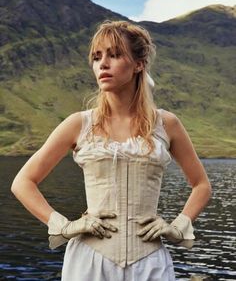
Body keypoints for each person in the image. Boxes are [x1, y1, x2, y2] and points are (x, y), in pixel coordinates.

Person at [11, 20, 212, 281]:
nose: (103, 64)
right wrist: (66, 226)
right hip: (89, 261)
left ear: (139, 64)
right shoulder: (79, 123)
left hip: (149, 263)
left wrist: (178, 226)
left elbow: (202, 185)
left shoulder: (167, 124)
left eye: (114, 55)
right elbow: (23, 182)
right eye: (97, 57)